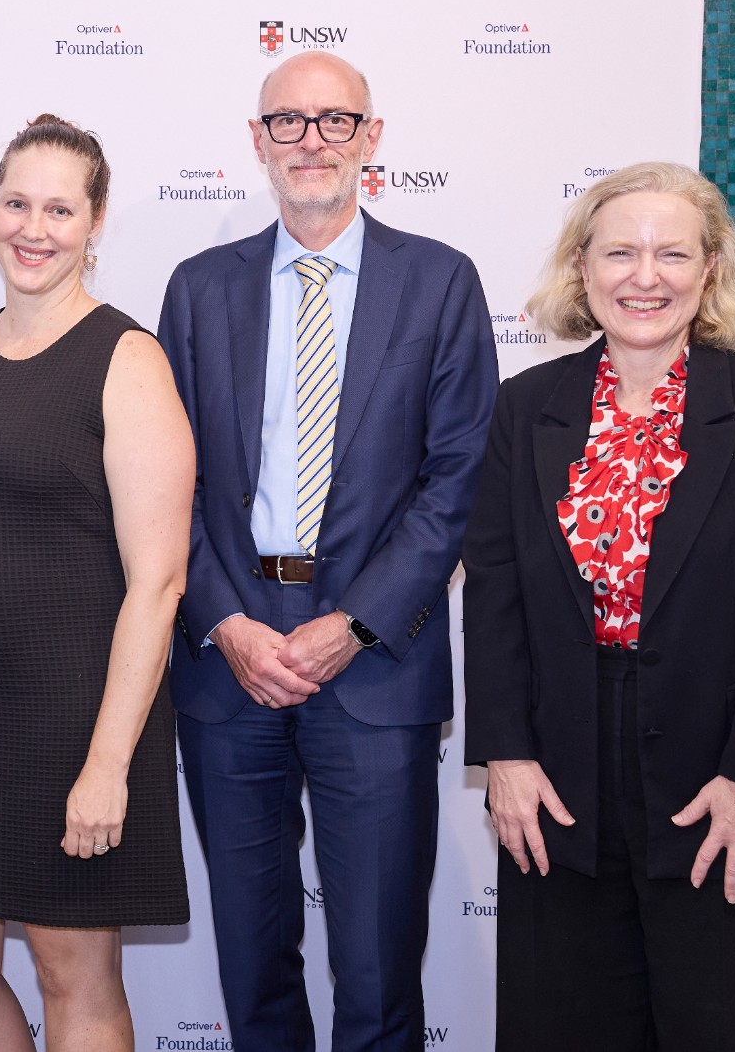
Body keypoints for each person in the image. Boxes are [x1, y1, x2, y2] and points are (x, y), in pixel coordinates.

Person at [462, 162, 735, 1051]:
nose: (646, 275)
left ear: (710, 271)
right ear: (582, 269)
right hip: (561, 791)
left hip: (729, 781)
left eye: (673, 252)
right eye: (620, 252)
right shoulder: (527, 408)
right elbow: (496, 593)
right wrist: (507, 756)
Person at [157, 53, 497, 1051]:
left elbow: (457, 478)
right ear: (257, 142)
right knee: (252, 961)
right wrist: (223, 620)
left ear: (372, 139)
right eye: (289, 122)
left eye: (335, 120)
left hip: (376, 666)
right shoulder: (198, 288)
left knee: (379, 964)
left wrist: (352, 622)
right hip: (231, 668)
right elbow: (164, 481)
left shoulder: (438, 281)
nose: (312, 140)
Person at [0, 114, 192, 1052]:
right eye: (18, 202)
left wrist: (108, 763)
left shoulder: (127, 360)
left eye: (60, 208)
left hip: (75, 718)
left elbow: (159, 583)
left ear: (95, 224)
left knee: (73, 974)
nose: (35, 226)